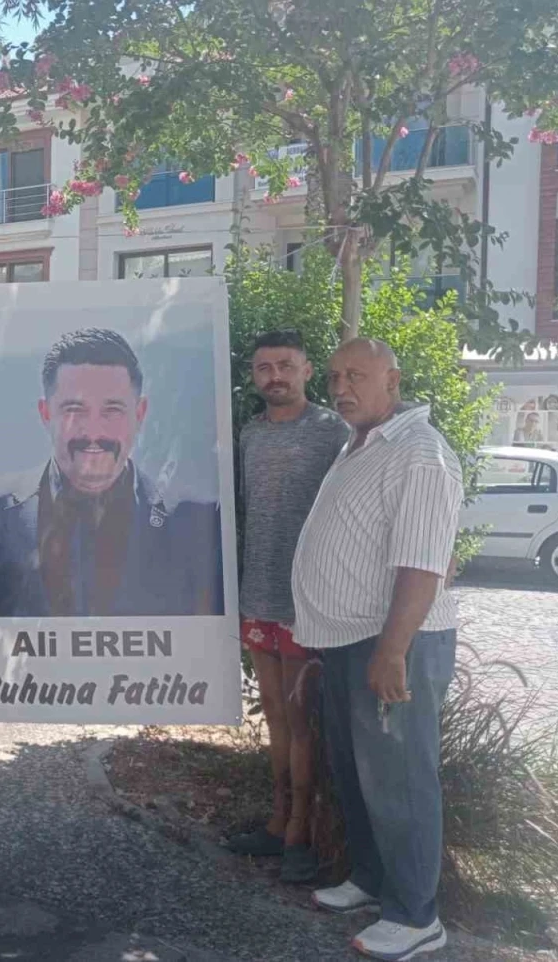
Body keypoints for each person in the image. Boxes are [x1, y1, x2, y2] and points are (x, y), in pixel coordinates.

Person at [292, 339, 462, 961]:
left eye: (357, 376)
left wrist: (392, 652)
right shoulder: (362, 443)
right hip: (350, 641)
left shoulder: (420, 453)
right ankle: (371, 880)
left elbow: (421, 564)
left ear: (393, 380)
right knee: (359, 773)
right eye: (335, 376)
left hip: (395, 641)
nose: (341, 387)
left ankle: (417, 917)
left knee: (400, 779)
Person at [0, 327, 223, 617]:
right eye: (75, 410)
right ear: (45, 414)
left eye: (112, 410)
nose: (94, 432)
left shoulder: (197, 518)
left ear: (139, 414)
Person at [224, 331, 348, 883]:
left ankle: (303, 830)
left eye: (285, 365)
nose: (274, 376)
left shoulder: (333, 431)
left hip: (307, 602)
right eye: (263, 368)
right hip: (258, 595)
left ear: (307, 370)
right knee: (274, 714)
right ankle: (278, 821)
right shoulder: (250, 434)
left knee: (302, 722)